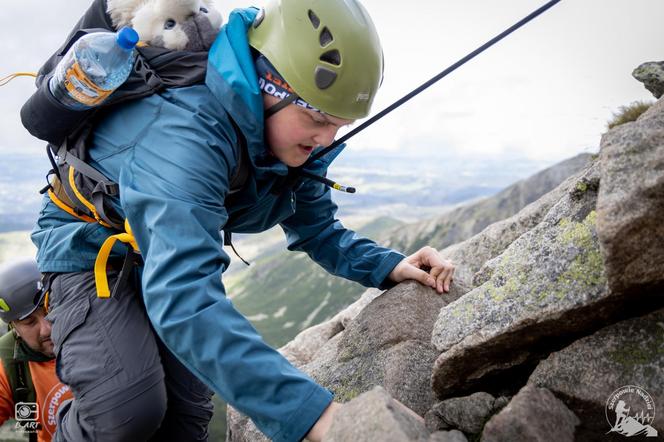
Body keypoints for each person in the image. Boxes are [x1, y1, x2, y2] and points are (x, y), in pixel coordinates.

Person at [25, 0, 456, 440]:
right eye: (317, 118)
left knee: (186, 418)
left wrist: (388, 265)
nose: (327, 139)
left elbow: (318, 230)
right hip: (89, 247)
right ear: (270, 83)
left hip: (157, 245)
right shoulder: (186, 135)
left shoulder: (293, 143)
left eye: (340, 126)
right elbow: (184, 298)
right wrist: (317, 417)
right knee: (126, 412)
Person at [0, 259, 74, 442]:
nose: (47, 328)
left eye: (50, 309)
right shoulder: (8, 363)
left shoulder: (98, 334)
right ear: (14, 327)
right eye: (30, 322)